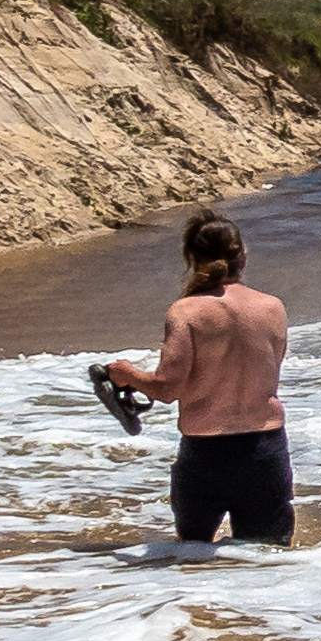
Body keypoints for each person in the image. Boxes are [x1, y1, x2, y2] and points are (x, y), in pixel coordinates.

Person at [101, 210, 293, 546]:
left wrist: (126, 374)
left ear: (191, 259)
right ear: (243, 257)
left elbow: (167, 388)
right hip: (265, 450)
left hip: (206, 456)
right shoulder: (273, 308)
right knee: (270, 566)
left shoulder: (185, 311)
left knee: (194, 562)